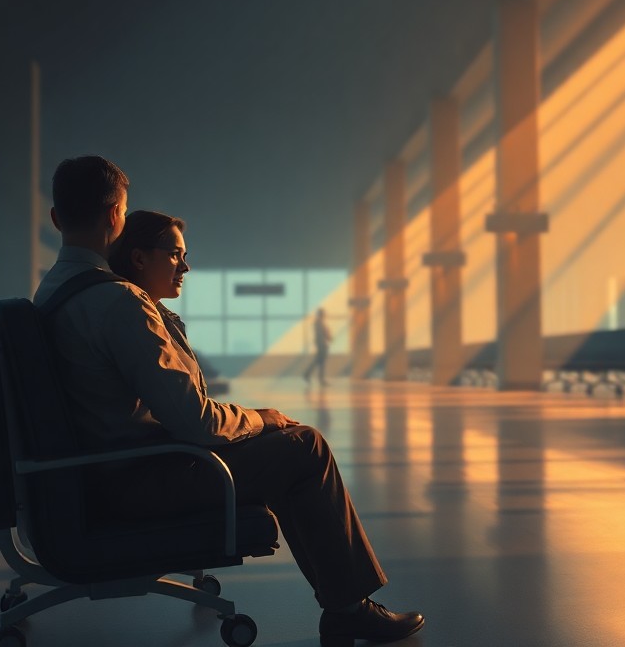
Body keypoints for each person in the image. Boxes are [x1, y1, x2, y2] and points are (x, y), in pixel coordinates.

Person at [36, 157, 424, 646]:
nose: (185, 266)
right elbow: (196, 422)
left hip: (98, 472)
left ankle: (346, 603)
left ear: (56, 218)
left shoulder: (50, 294)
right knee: (305, 448)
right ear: (116, 216)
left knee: (282, 446)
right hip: (138, 479)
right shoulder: (118, 303)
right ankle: (349, 608)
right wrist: (261, 418)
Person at [302, 307, 333, 386]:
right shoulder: (319, 323)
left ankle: (308, 374)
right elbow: (321, 335)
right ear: (321, 314)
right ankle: (318, 378)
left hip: (321, 344)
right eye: (323, 314)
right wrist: (326, 339)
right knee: (321, 362)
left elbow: (323, 334)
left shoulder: (319, 322)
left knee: (318, 362)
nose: (325, 315)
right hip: (322, 345)